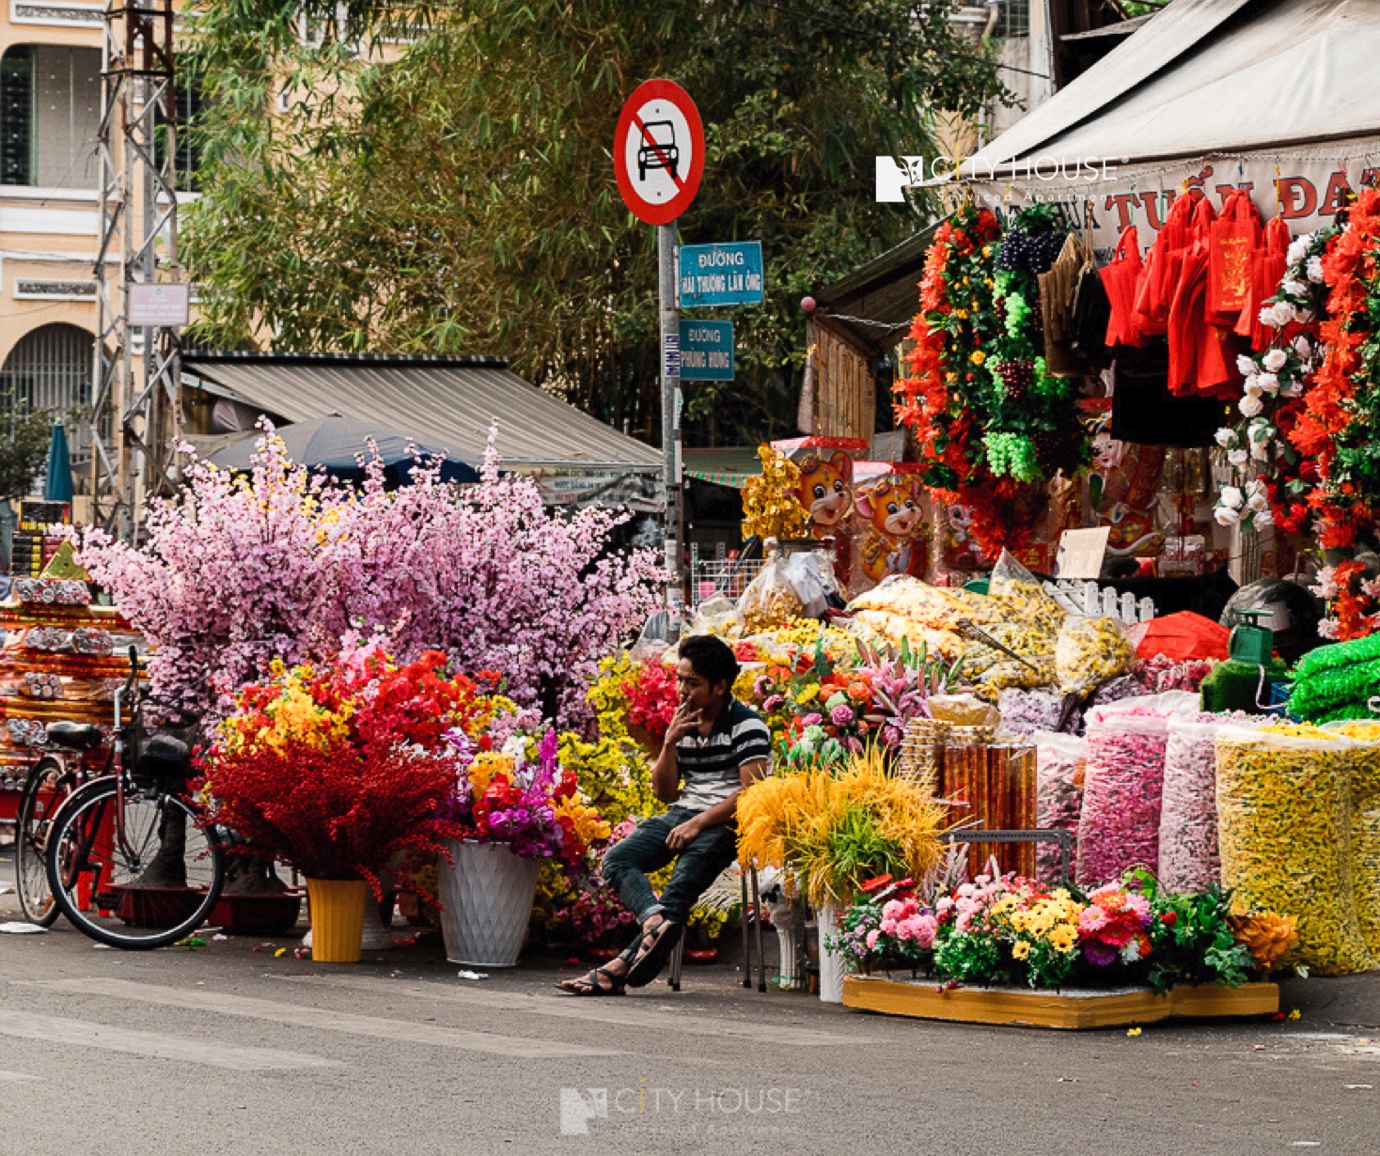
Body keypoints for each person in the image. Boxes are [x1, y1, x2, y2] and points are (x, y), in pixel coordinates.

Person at [559, 633, 770, 995]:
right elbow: (665, 793)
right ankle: (653, 922)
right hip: (682, 812)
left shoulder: (747, 726)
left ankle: (615, 970)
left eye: (693, 683)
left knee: (680, 888)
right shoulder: (682, 722)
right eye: (679, 679)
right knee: (617, 859)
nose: (682, 690)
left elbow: (753, 793)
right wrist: (669, 744)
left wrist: (700, 823)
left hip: (726, 824)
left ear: (720, 686)